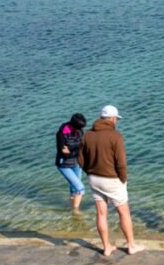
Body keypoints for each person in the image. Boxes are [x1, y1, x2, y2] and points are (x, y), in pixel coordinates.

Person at [79, 105, 142, 257]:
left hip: (94, 178)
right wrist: (123, 179)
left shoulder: (87, 135)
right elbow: (121, 163)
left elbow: (80, 159)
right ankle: (131, 245)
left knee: (101, 213)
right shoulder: (116, 136)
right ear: (113, 119)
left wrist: (90, 171)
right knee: (123, 212)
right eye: (116, 119)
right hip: (112, 179)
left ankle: (107, 247)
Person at [55, 113, 86, 214]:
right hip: (64, 164)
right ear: (73, 125)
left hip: (77, 163)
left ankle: (71, 209)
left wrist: (72, 150)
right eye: (78, 128)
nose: (80, 130)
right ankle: (76, 212)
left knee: (74, 189)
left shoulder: (80, 131)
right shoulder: (61, 133)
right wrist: (77, 149)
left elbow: (83, 147)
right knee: (80, 188)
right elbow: (64, 153)